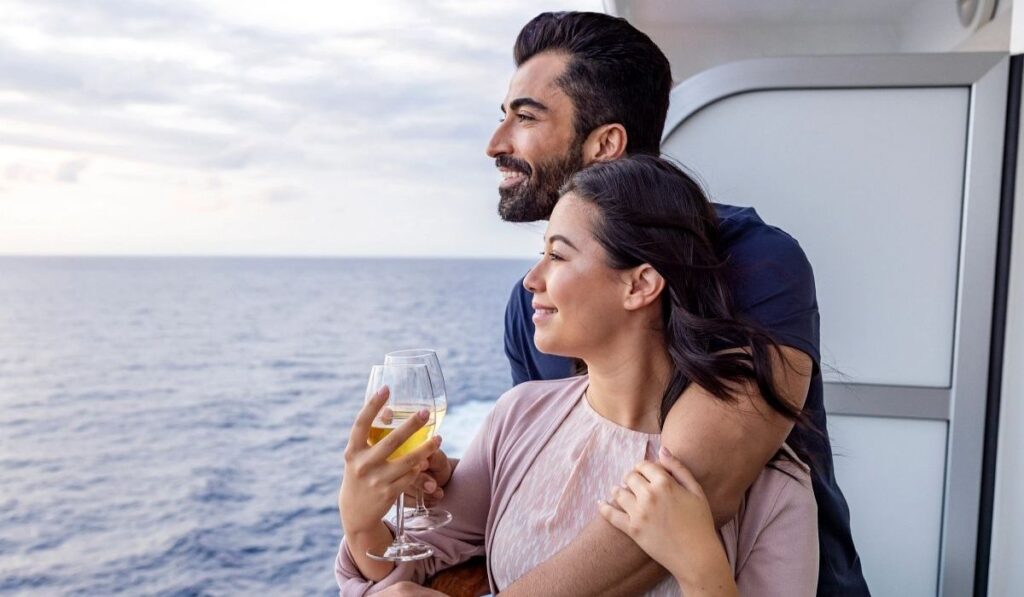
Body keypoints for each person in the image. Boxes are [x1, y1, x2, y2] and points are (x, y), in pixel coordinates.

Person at [411, 11, 868, 596]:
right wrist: (457, 492)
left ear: (606, 143)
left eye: (525, 117)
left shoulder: (756, 261)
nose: (496, 145)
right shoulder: (530, 312)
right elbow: (544, 486)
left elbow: (688, 490)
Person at [336, 155, 819, 596]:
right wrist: (360, 520)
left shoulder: (773, 488)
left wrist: (700, 568)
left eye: (559, 255)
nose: (531, 279)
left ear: (640, 284)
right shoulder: (518, 417)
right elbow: (409, 570)